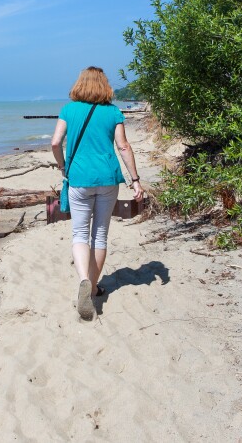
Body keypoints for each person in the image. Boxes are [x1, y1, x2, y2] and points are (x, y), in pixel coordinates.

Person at [51, 67, 144, 321]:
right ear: (105, 86)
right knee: (99, 234)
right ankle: (93, 287)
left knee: (80, 233)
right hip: (107, 179)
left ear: (79, 84)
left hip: (79, 179)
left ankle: (83, 280)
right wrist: (135, 180)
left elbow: (55, 143)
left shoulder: (69, 110)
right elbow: (123, 146)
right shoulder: (113, 111)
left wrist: (62, 166)